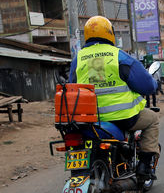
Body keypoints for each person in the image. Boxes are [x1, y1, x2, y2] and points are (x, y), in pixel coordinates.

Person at [67, 15, 159, 176]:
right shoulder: (120, 56)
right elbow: (147, 85)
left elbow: (71, 87)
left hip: (89, 119)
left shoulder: (78, 59)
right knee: (152, 119)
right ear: (110, 34)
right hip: (123, 118)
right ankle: (144, 165)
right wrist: (153, 84)